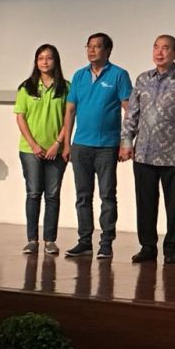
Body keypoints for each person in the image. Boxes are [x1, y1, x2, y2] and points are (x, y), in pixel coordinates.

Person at [120, 35, 175, 265]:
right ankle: (147, 246)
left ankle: (171, 249)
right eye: (156, 47)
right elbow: (132, 113)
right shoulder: (142, 79)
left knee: (174, 206)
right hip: (144, 153)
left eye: (166, 48)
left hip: (173, 155)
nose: (160, 52)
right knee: (145, 203)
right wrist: (126, 142)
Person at [63, 33, 133, 258]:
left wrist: (126, 142)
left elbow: (129, 110)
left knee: (107, 195)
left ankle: (106, 243)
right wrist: (67, 144)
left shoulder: (119, 75)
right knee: (83, 196)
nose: (92, 50)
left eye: (97, 47)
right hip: (81, 145)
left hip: (106, 146)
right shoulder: (78, 75)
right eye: (89, 46)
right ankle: (84, 241)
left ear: (108, 50)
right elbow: (70, 110)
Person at [15, 44, 70, 255]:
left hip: (56, 150)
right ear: (36, 62)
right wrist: (34, 145)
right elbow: (20, 117)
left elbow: (69, 117)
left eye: (49, 58)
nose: (45, 62)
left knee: (53, 195)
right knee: (33, 193)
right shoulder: (26, 87)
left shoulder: (66, 87)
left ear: (56, 61)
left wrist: (58, 143)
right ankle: (32, 239)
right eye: (41, 58)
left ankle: (50, 240)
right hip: (31, 151)